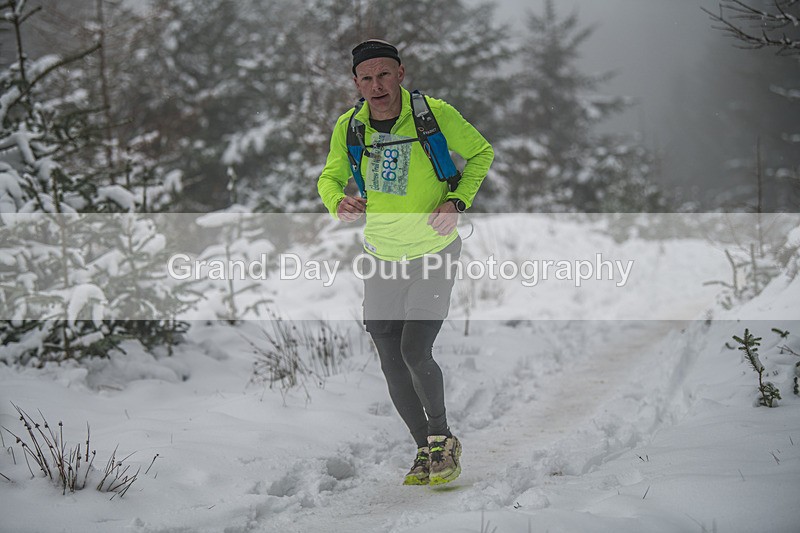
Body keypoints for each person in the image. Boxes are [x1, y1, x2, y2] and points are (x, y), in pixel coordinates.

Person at [317, 39, 493, 486]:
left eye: (384, 74)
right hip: (380, 257)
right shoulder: (350, 127)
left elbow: (481, 154)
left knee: (416, 349)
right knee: (391, 359)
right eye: (366, 77)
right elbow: (330, 176)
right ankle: (422, 449)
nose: (376, 85)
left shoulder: (432, 115)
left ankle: (442, 439)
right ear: (356, 83)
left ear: (401, 73)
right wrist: (337, 200)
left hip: (433, 253)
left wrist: (456, 201)